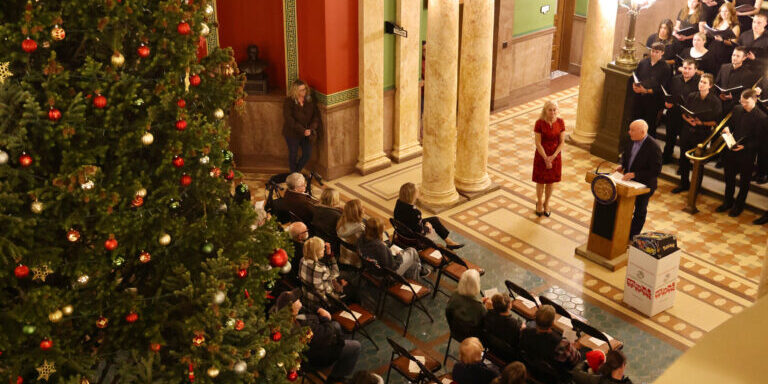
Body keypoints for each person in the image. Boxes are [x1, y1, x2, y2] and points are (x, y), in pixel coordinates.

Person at [274, 289, 361, 382]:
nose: (299, 299)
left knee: (336, 327)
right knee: (355, 346)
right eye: (297, 300)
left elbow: (306, 305)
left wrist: (318, 309)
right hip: (314, 357)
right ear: (293, 307)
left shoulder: (287, 316)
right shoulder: (300, 329)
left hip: (316, 338)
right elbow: (326, 333)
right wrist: (326, 319)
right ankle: (336, 377)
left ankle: (339, 340)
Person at [717, 89, 766, 216]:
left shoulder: (762, 117)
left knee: (744, 182)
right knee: (729, 178)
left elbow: (760, 142)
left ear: (755, 100)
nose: (743, 104)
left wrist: (745, 147)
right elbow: (731, 124)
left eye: (746, 102)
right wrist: (727, 129)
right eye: (741, 101)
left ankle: (739, 206)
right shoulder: (737, 109)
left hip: (747, 154)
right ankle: (727, 201)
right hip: (732, 149)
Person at [673, 74, 722, 193]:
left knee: (698, 163)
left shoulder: (715, 101)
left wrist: (702, 123)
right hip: (687, 131)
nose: (701, 84)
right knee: (683, 160)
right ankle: (684, 184)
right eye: (700, 81)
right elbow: (683, 113)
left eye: (704, 82)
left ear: (710, 86)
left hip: (702, 135)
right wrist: (688, 119)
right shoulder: (692, 96)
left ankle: (695, 187)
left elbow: (716, 122)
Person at [617, 120, 662, 240]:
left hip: (644, 185)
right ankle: (620, 230)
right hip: (628, 182)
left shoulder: (654, 147)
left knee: (640, 211)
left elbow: (655, 171)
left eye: (632, 130)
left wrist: (635, 174)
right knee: (624, 206)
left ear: (642, 132)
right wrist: (621, 165)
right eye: (629, 129)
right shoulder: (630, 140)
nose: (629, 132)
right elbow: (625, 155)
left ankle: (631, 236)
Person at [394, 182, 464, 249]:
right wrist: (427, 227)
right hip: (412, 239)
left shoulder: (399, 203)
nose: (418, 191)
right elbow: (420, 232)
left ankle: (449, 242)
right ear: (412, 195)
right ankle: (449, 243)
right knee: (431, 224)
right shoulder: (415, 213)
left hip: (402, 232)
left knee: (434, 220)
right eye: (417, 191)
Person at [356, 217, 424, 280]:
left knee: (412, 261)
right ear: (379, 231)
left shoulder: (361, 239)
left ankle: (413, 276)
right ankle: (415, 281)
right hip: (384, 276)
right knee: (412, 251)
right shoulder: (379, 247)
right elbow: (393, 267)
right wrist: (398, 256)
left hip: (369, 269)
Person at [519, 305, 582, 371]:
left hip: (531, 367)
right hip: (554, 375)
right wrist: (574, 348)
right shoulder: (562, 343)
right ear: (552, 324)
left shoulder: (525, 332)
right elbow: (575, 360)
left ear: (535, 319)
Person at [663, 59, 701, 164]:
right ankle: (666, 157)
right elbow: (669, 94)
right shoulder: (675, 79)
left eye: (690, 69)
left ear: (695, 70)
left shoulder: (699, 83)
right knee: (669, 138)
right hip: (673, 114)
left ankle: (683, 165)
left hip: (687, 118)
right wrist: (667, 103)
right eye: (685, 68)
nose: (686, 71)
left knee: (685, 144)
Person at [532, 101, 566, 217]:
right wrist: (546, 158)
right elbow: (537, 142)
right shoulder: (539, 123)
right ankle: (539, 202)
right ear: (545, 111)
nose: (552, 112)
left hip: (555, 156)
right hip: (542, 155)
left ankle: (547, 203)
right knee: (540, 181)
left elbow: (562, 142)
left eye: (554, 110)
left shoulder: (560, 122)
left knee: (551, 182)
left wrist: (553, 156)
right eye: (550, 110)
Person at [631, 43, 672, 138]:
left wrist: (646, 91)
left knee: (649, 126)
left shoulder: (666, 68)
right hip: (639, 99)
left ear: (662, 53)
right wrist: (635, 86)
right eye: (652, 51)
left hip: (653, 102)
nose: (653, 54)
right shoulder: (643, 62)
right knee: (635, 122)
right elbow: (636, 77)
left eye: (656, 52)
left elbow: (663, 87)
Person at [283, 79, 322, 173]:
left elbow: (316, 116)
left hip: (307, 133)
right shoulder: (289, 101)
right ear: (295, 91)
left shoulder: (309, 100)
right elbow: (289, 119)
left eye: (305, 89)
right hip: (292, 133)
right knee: (293, 154)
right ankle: (294, 175)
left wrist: (311, 129)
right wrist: (302, 130)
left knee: (307, 154)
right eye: (301, 90)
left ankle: (296, 172)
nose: (304, 91)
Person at [299, 236, 346, 309]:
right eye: (322, 249)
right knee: (348, 289)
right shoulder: (321, 269)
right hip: (323, 302)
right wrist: (330, 255)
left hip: (307, 297)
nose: (324, 249)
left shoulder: (302, 260)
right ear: (317, 252)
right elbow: (336, 272)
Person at [714, 47, 755, 116]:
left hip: (733, 105)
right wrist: (719, 94)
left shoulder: (748, 74)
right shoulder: (724, 67)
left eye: (738, 56)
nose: (734, 58)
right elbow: (717, 83)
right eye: (733, 55)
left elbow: (746, 93)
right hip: (719, 101)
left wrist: (733, 97)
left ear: (744, 58)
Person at [482, 294, 523, 363]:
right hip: (510, 355)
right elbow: (518, 343)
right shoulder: (515, 324)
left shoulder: (489, 316)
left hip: (494, 349)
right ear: (510, 305)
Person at [446, 269, 488, 337]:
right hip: (472, 338)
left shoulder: (455, 294)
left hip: (455, 332)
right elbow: (486, 325)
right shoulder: (480, 308)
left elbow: (448, 312)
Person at [705, 2, 741, 68]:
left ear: (731, 12)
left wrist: (722, 40)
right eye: (722, 11)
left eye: (726, 11)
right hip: (713, 49)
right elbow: (712, 34)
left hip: (724, 53)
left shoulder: (735, 26)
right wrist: (708, 32)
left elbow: (733, 43)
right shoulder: (718, 22)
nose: (723, 13)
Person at [336, 199, 365, 267]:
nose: (364, 209)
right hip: (356, 262)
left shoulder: (341, 223)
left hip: (343, 256)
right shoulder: (360, 228)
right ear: (358, 212)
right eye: (362, 207)